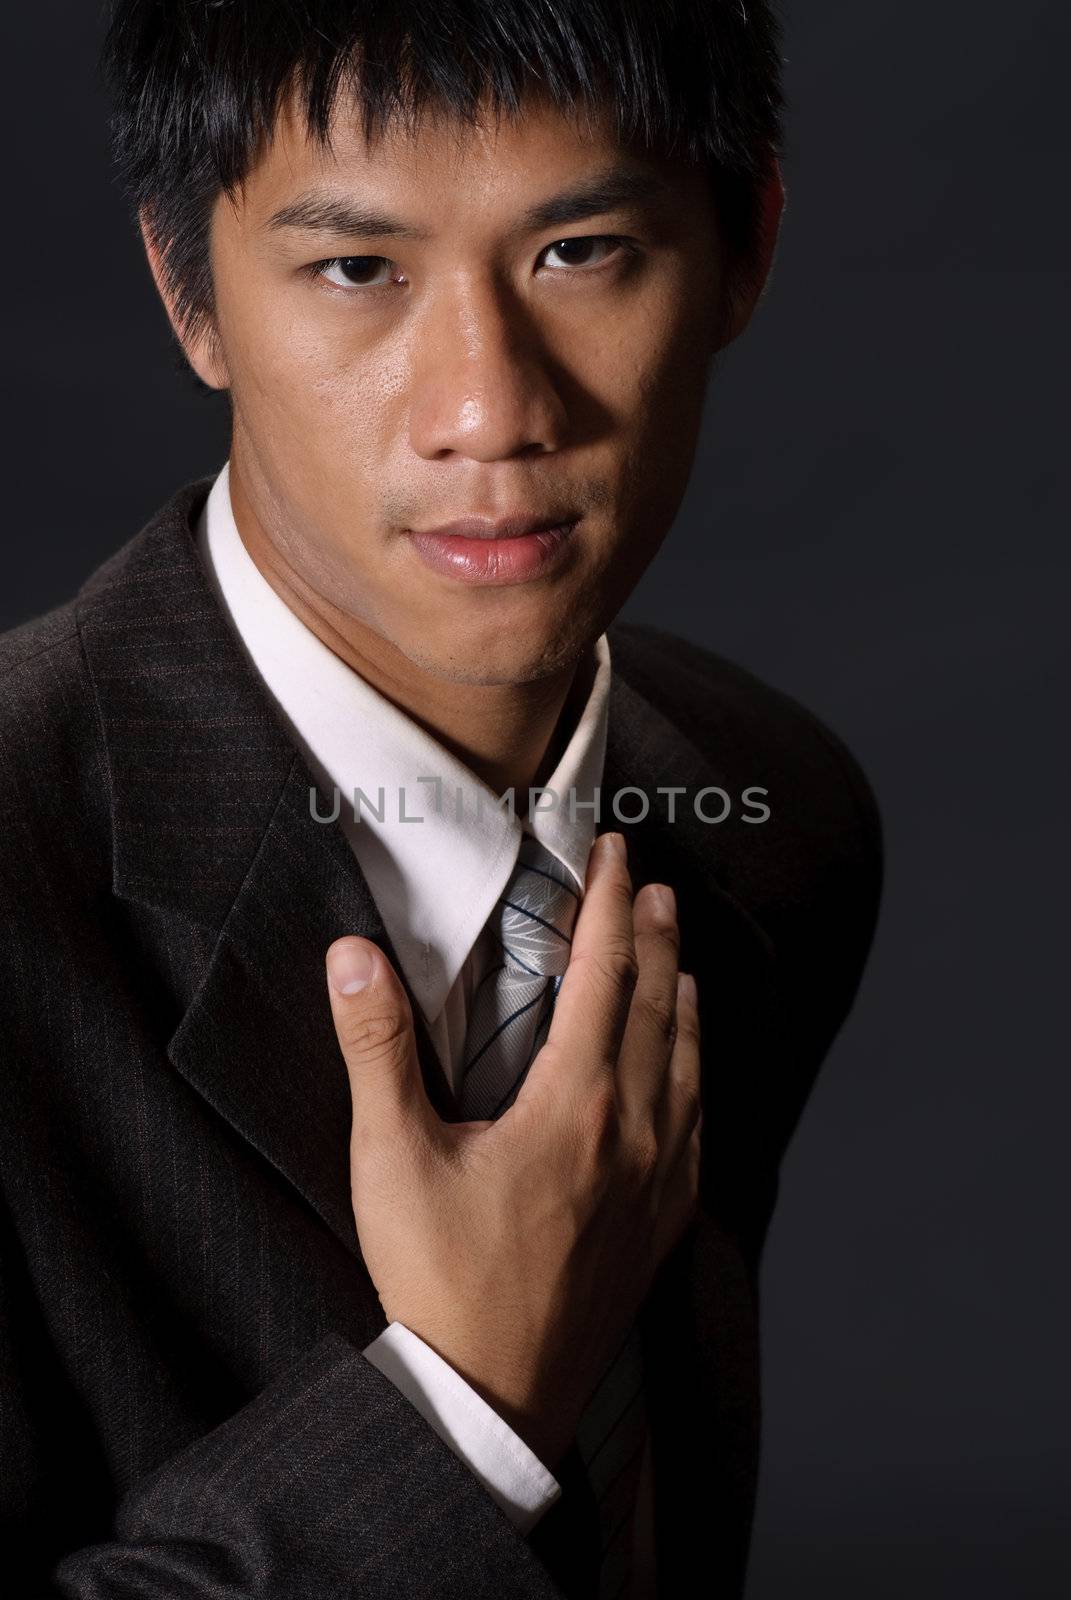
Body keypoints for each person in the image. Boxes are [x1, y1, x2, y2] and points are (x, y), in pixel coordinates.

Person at [0, 3, 883, 1596]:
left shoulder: (779, 815)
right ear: (186, 292)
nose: (491, 411)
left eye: (583, 251)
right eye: (358, 270)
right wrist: (462, 1408)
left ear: (746, 242)